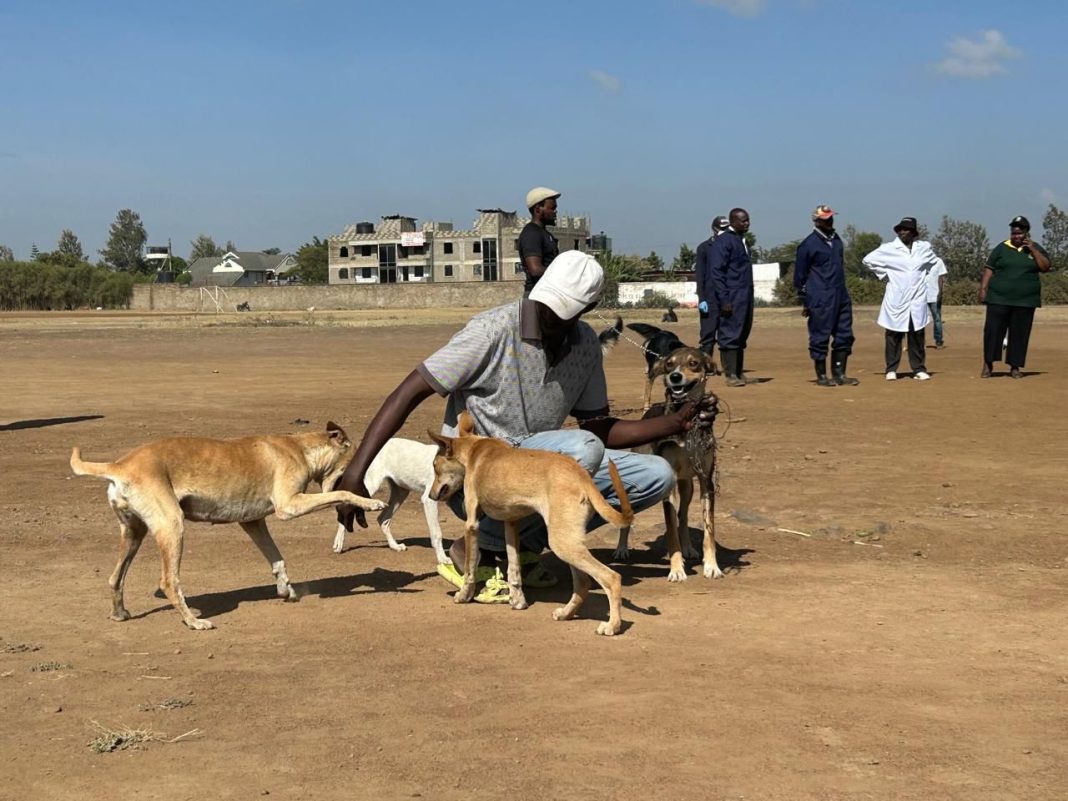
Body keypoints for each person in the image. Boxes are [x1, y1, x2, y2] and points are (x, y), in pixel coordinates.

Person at [334, 250, 714, 603]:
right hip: (478, 473)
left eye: (562, 313)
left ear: (589, 308)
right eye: (547, 308)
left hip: (536, 464)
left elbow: (599, 427)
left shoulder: (583, 346)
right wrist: (356, 471)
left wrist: (676, 421)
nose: (549, 318)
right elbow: (408, 393)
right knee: (583, 450)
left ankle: (525, 548)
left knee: (656, 474)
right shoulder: (491, 331)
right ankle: (472, 546)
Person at [862, 217, 939, 381]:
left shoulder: (923, 249)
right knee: (893, 334)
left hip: (917, 299)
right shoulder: (889, 249)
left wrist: (923, 276)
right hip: (896, 298)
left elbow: (933, 262)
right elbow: (868, 260)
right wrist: (884, 274)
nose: (902, 232)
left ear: (913, 233)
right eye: (900, 229)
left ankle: (918, 368)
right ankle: (891, 368)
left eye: (906, 229)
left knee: (917, 334)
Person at [979, 215, 1052, 378]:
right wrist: (983, 289)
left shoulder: (1036, 248)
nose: (1016, 236)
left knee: (1020, 333)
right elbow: (989, 268)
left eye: (1020, 233)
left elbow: (1045, 267)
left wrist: (1033, 249)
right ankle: (988, 364)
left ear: (1026, 233)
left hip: (1025, 300)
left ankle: (1015, 366)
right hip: (999, 298)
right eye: (1014, 233)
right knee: (993, 331)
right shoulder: (1001, 248)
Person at [794, 205, 858, 386]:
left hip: (841, 294)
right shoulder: (808, 245)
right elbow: (800, 276)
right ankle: (822, 376)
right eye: (825, 219)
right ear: (816, 221)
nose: (829, 221)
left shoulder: (837, 240)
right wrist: (806, 300)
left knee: (844, 334)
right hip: (820, 296)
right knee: (820, 336)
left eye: (831, 218)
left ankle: (840, 373)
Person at [709, 208, 754, 386]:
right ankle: (730, 375)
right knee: (730, 333)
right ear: (733, 222)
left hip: (745, 294)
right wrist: (724, 299)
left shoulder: (742, 240)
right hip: (731, 294)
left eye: (748, 220)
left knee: (742, 332)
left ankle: (739, 372)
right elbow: (717, 271)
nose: (747, 223)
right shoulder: (724, 241)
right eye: (743, 221)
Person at [695, 215, 729, 355]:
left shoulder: (732, 246)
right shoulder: (704, 248)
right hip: (710, 296)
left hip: (728, 296)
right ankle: (706, 363)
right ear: (714, 229)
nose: (724, 232)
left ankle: (728, 367)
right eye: (722, 229)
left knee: (727, 333)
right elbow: (700, 274)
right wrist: (702, 298)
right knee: (708, 333)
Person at [517, 187, 561, 295]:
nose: (555, 212)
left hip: (547, 295)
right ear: (538, 209)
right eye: (552, 208)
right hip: (537, 296)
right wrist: (563, 274)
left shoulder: (545, 234)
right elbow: (535, 270)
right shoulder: (531, 234)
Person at [925, 255, 948, 348]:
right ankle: (918, 342)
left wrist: (940, 292)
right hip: (921, 295)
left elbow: (941, 278)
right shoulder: (919, 260)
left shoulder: (938, 261)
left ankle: (938, 341)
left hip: (934, 295)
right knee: (919, 320)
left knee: (937, 319)